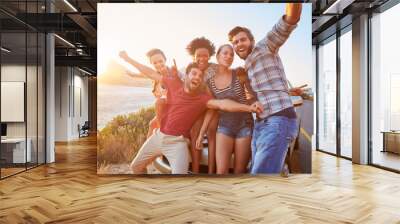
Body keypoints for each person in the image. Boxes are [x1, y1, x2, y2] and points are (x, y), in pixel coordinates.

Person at [119, 52, 263, 174]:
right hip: (158, 136)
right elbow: (150, 73)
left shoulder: (202, 99)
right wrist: (128, 59)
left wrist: (249, 108)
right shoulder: (173, 83)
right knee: (135, 167)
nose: (197, 77)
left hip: (177, 143)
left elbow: (222, 104)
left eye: (200, 76)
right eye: (194, 73)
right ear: (186, 75)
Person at [228, 3, 302, 174]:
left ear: (252, 41)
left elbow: (290, 20)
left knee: (261, 176)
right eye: (235, 42)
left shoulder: (265, 46)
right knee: (262, 171)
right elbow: (263, 90)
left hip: (278, 120)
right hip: (260, 124)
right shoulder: (246, 68)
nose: (239, 44)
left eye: (242, 39)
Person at [196, 44, 255, 174]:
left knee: (239, 171)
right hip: (225, 126)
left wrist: (288, 91)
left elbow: (254, 94)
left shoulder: (239, 74)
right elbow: (212, 107)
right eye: (225, 53)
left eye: (231, 54)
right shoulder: (210, 82)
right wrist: (201, 133)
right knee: (221, 172)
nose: (229, 56)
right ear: (217, 56)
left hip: (245, 125)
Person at [186, 37, 219, 174]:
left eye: (205, 55)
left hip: (214, 106)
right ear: (194, 56)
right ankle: (195, 170)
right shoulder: (191, 70)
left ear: (209, 55)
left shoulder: (216, 68)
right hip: (199, 108)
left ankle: (211, 172)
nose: (202, 58)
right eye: (198, 55)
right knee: (195, 132)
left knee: (211, 132)